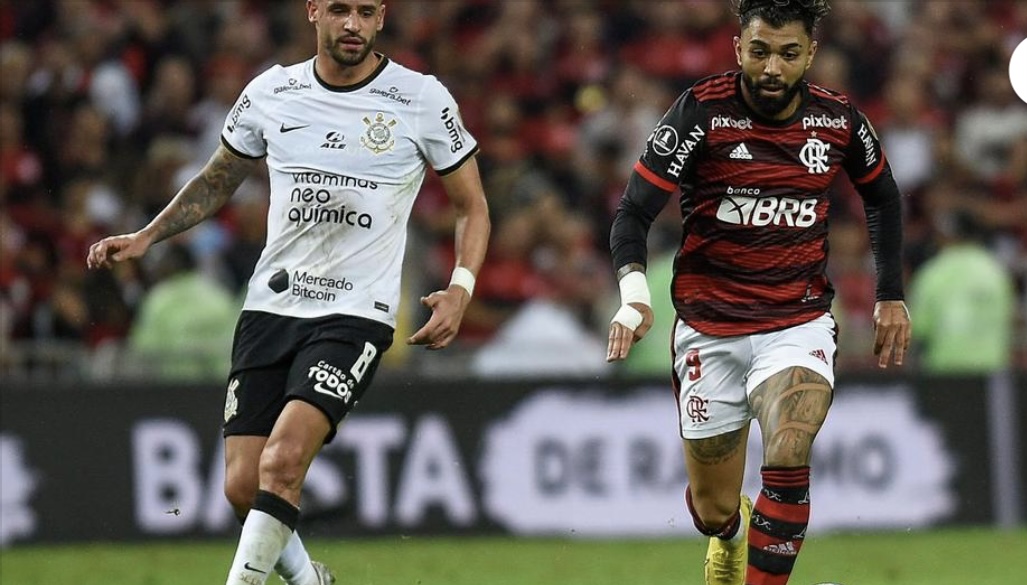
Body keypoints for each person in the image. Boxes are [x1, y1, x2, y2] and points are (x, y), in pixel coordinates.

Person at [87, 1, 490, 584]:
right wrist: (149, 234)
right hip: (270, 307)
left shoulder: (422, 99)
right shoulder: (273, 92)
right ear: (313, 13)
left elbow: (472, 205)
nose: (353, 24)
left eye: (367, 12)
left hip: (355, 313)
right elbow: (217, 177)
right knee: (242, 486)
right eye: (339, 9)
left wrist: (460, 287)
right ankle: (309, 580)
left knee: (282, 462)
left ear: (382, 19)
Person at [605, 1, 910, 584]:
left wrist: (889, 293)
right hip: (708, 325)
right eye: (761, 51)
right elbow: (632, 215)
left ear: (810, 55)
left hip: (796, 322)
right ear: (738, 48)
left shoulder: (839, 120)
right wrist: (634, 294)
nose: (773, 68)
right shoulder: (700, 112)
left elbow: (884, 198)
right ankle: (730, 533)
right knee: (712, 509)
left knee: (790, 449)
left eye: (789, 54)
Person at [909, 210, 1015, 374]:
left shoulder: (933, 273)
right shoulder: (996, 271)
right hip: (991, 368)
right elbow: (1008, 319)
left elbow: (920, 330)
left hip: (944, 371)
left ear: (946, 236)